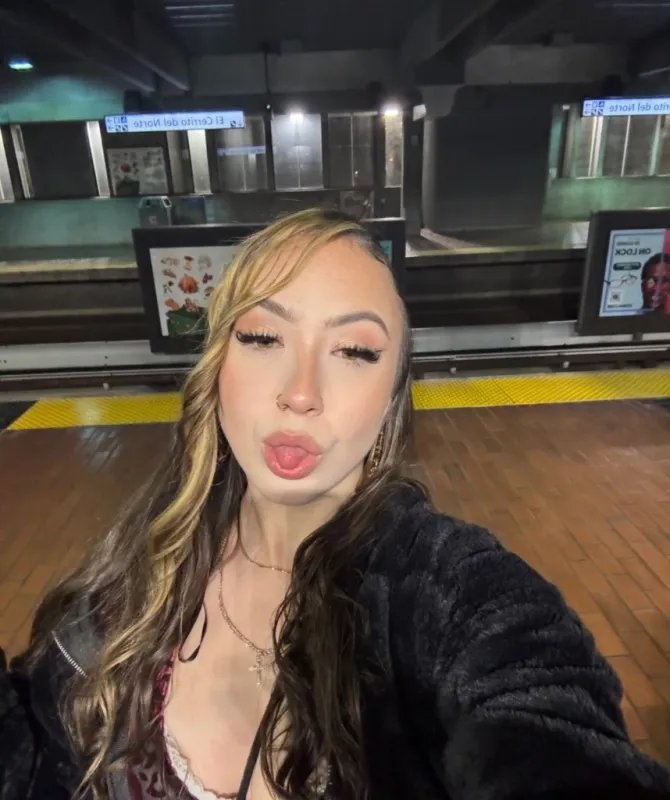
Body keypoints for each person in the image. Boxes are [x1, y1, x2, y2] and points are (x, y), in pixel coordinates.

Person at [2, 208, 670, 800]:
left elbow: (546, 729)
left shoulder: (448, 598)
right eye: (263, 338)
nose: (301, 393)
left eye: (354, 350)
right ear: (216, 367)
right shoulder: (131, 582)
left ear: (392, 401)